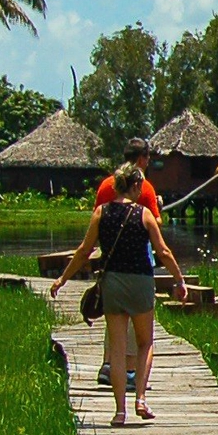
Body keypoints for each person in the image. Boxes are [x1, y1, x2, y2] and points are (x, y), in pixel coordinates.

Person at [50, 162, 189, 427]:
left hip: (112, 282)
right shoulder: (145, 214)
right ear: (136, 185)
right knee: (145, 342)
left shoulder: (101, 213)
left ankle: (119, 412)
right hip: (140, 282)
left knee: (116, 347)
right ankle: (140, 398)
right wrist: (179, 280)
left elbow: (83, 251)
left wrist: (62, 279)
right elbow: (164, 252)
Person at [92, 137, 163, 390]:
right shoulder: (144, 188)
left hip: (110, 262)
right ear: (143, 159)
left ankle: (108, 364)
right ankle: (131, 371)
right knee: (135, 323)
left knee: (114, 318)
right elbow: (156, 225)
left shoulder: (104, 186)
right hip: (137, 265)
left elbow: (97, 220)